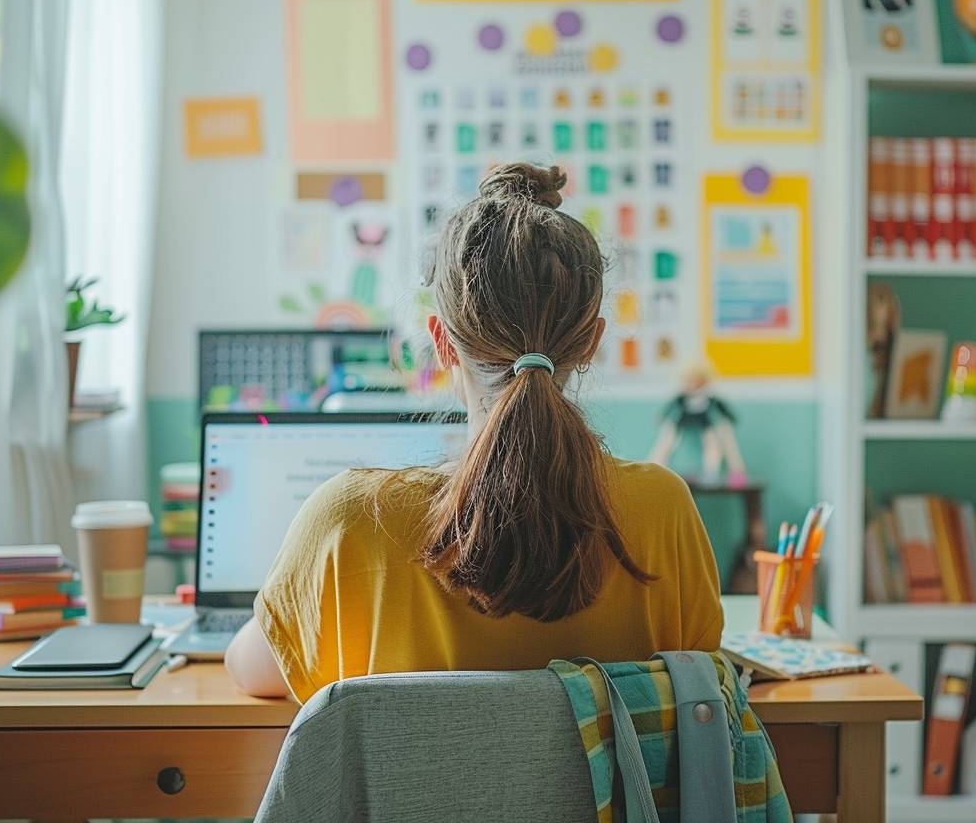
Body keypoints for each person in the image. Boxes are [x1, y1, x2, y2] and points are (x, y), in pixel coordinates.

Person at [225, 163, 724, 699]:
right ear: (591, 341)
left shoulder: (348, 520)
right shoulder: (662, 509)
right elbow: (701, 686)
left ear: (440, 340)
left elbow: (250, 671)